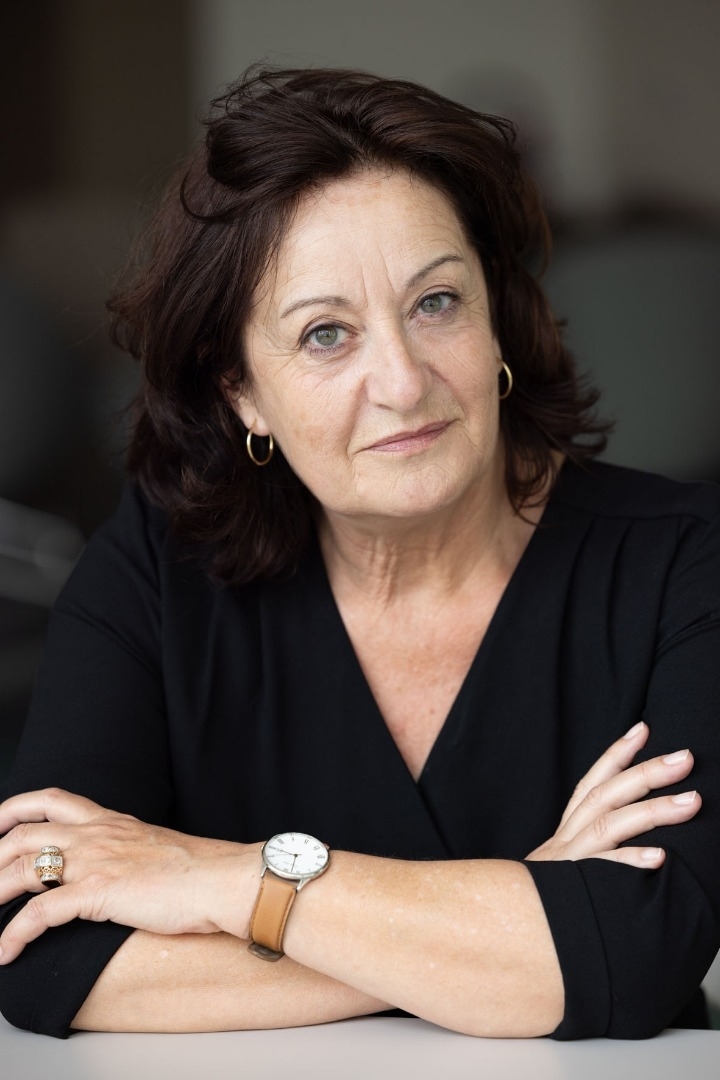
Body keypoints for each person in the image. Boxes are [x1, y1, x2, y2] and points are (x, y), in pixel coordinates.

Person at [0, 67, 718, 1041]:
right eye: (326, 334)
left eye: (437, 303)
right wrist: (519, 918)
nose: (403, 381)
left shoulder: (686, 566)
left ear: (497, 317)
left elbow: (636, 951)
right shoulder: (155, 574)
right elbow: (41, 952)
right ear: (241, 391)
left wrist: (217, 879)